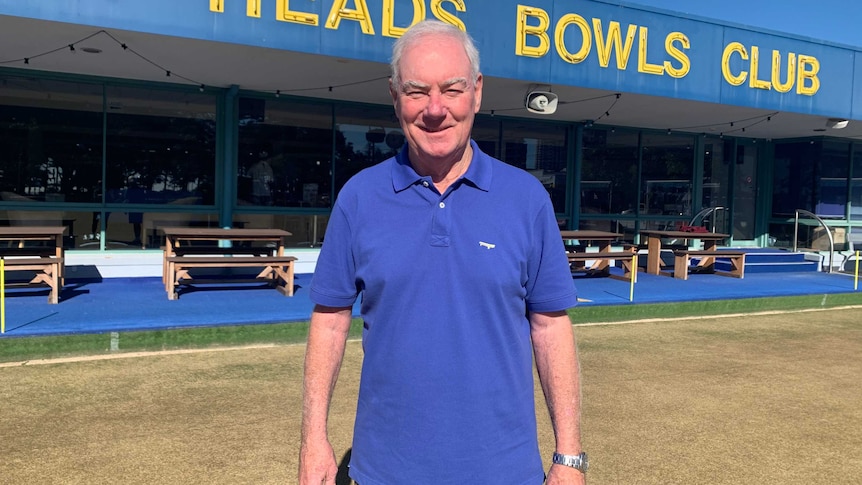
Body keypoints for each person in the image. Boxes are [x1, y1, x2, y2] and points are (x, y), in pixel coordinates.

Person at [299, 20, 585, 485]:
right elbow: (329, 322)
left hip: (505, 472)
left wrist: (569, 457)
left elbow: (551, 328)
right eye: (417, 92)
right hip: (383, 473)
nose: (435, 110)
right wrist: (314, 441)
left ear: (476, 92)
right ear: (395, 97)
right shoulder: (359, 197)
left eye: (451, 89)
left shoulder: (526, 199)